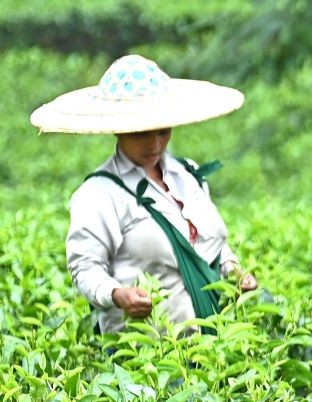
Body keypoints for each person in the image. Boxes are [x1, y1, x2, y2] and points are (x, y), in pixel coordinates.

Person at [29, 54, 256, 334]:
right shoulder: (99, 194)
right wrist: (117, 294)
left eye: (163, 131)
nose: (155, 143)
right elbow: (84, 268)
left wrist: (234, 272)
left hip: (211, 341)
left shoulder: (188, 175)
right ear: (119, 130)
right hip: (147, 350)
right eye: (141, 133)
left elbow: (209, 245)